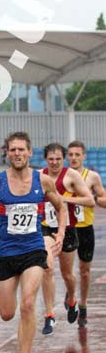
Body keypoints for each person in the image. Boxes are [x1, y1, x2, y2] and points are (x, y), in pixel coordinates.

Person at [0, 132, 65, 353]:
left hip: (33, 249)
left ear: (30, 153)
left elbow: (60, 207)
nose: (17, 153)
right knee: (7, 313)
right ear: (7, 153)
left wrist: (60, 234)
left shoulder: (43, 181)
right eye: (12, 150)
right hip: (5, 253)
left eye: (21, 150)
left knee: (28, 304)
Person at [39, 143, 93, 334]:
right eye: (51, 159)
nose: (54, 163)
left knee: (67, 273)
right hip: (46, 227)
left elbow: (90, 200)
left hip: (68, 228)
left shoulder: (71, 176)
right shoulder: (40, 176)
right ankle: (49, 314)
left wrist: (65, 199)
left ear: (64, 159)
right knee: (47, 268)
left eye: (58, 159)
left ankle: (72, 299)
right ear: (46, 159)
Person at [66, 140, 106, 327]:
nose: (74, 158)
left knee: (84, 271)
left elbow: (103, 199)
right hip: (67, 227)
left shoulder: (92, 177)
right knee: (67, 270)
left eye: (77, 154)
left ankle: (82, 305)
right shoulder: (63, 176)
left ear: (84, 156)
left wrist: (94, 198)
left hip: (85, 228)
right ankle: (71, 292)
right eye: (71, 154)